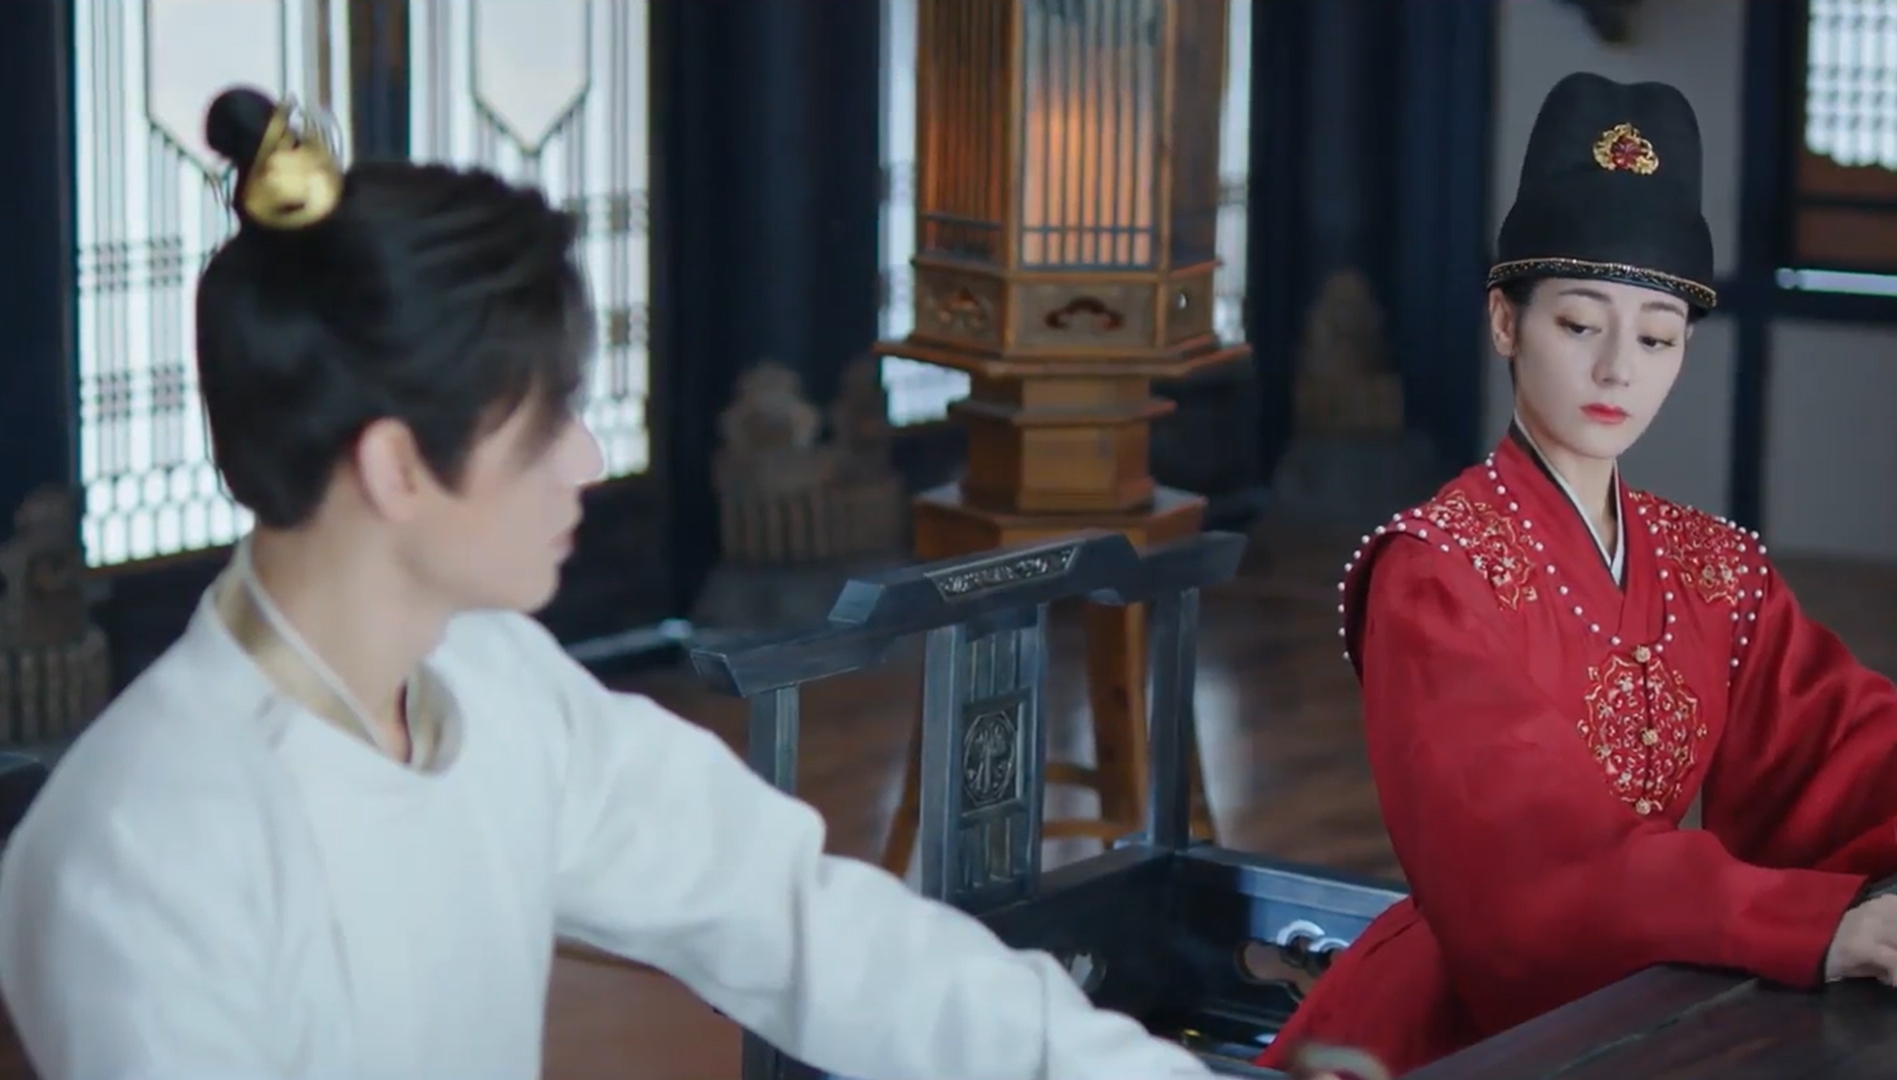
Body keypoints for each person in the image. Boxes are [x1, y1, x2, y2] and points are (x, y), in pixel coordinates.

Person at [0, 86, 1246, 1080]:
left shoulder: (492, 682)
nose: (588, 462)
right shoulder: (141, 851)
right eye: (549, 422)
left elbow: (808, 928)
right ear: (396, 467)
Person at [1256, 71, 1897, 1075]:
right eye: (1578, 325)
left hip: (1656, 986)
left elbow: (1852, 752)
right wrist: (1799, 923)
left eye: (1656, 336)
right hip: (1463, 1022)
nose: (1616, 371)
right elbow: (1528, 859)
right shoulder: (1436, 571)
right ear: (1505, 323)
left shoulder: (1713, 568)